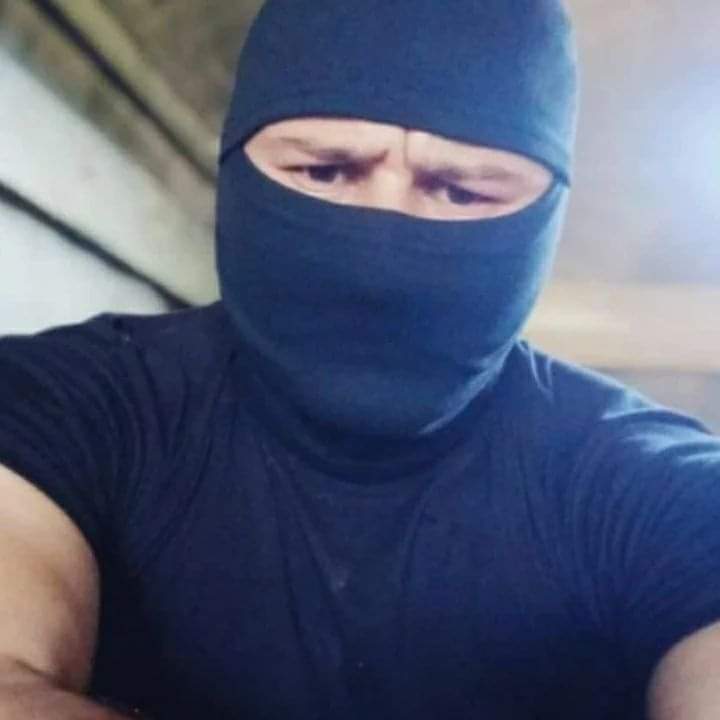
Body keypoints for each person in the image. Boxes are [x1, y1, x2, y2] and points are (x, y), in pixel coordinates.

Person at [0, 0, 719, 718]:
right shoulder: (67, 406)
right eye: (325, 171)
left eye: (461, 191)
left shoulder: (654, 487)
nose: (382, 251)